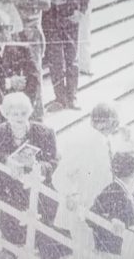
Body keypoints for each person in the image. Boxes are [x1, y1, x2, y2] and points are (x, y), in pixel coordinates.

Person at [0, 92, 58, 247]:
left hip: (35, 186)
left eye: (23, 113)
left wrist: (36, 165)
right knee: (11, 225)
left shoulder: (45, 132)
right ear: (6, 114)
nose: (19, 118)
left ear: (30, 113)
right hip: (7, 187)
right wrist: (6, 160)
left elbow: (53, 162)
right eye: (14, 114)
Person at [52, 102, 123, 253]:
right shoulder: (83, 143)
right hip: (82, 208)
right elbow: (59, 175)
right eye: (110, 122)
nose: (114, 126)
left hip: (100, 208)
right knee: (85, 251)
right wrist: (71, 194)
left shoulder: (106, 140)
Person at [0, 9, 42, 120]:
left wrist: (25, 105)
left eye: (8, 28)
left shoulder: (22, 49)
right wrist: (8, 83)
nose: (5, 33)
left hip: (20, 110)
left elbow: (34, 79)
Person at [89, 151, 134, 257]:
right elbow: (91, 215)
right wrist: (111, 220)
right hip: (108, 251)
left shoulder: (123, 190)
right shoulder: (114, 190)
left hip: (116, 250)